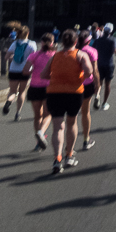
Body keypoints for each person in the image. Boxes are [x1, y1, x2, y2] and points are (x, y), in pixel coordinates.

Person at [41, 29, 93, 174]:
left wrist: (57, 77)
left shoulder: (54, 56)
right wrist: (79, 79)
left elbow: (44, 74)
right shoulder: (80, 55)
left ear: (62, 42)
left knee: (58, 126)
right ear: (76, 42)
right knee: (71, 122)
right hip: (74, 92)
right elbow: (89, 71)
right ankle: (69, 155)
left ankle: (57, 159)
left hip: (54, 92)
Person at [23, 33, 55, 151]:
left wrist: (35, 73)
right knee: (48, 114)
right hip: (49, 87)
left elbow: (25, 71)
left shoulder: (34, 55)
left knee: (38, 115)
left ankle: (38, 142)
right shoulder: (55, 55)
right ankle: (41, 133)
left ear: (41, 43)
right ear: (52, 43)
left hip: (34, 87)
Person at [3, 27, 37, 120]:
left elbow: (6, 57)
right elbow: (34, 58)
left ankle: (8, 102)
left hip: (13, 70)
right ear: (28, 33)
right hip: (25, 70)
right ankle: (18, 113)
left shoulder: (14, 43)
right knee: (22, 91)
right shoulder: (32, 44)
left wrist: (12, 57)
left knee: (12, 91)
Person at [77, 29, 100, 150]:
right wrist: (98, 85)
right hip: (87, 83)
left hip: (73, 84)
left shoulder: (74, 50)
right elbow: (95, 70)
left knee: (72, 115)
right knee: (85, 112)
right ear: (89, 40)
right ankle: (86, 139)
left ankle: (68, 145)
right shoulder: (92, 51)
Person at [93, 22, 116, 110]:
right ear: (111, 31)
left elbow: (94, 50)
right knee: (108, 84)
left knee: (99, 83)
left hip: (99, 63)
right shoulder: (112, 39)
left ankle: (97, 95)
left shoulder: (98, 40)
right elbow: (114, 51)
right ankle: (104, 103)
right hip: (109, 64)